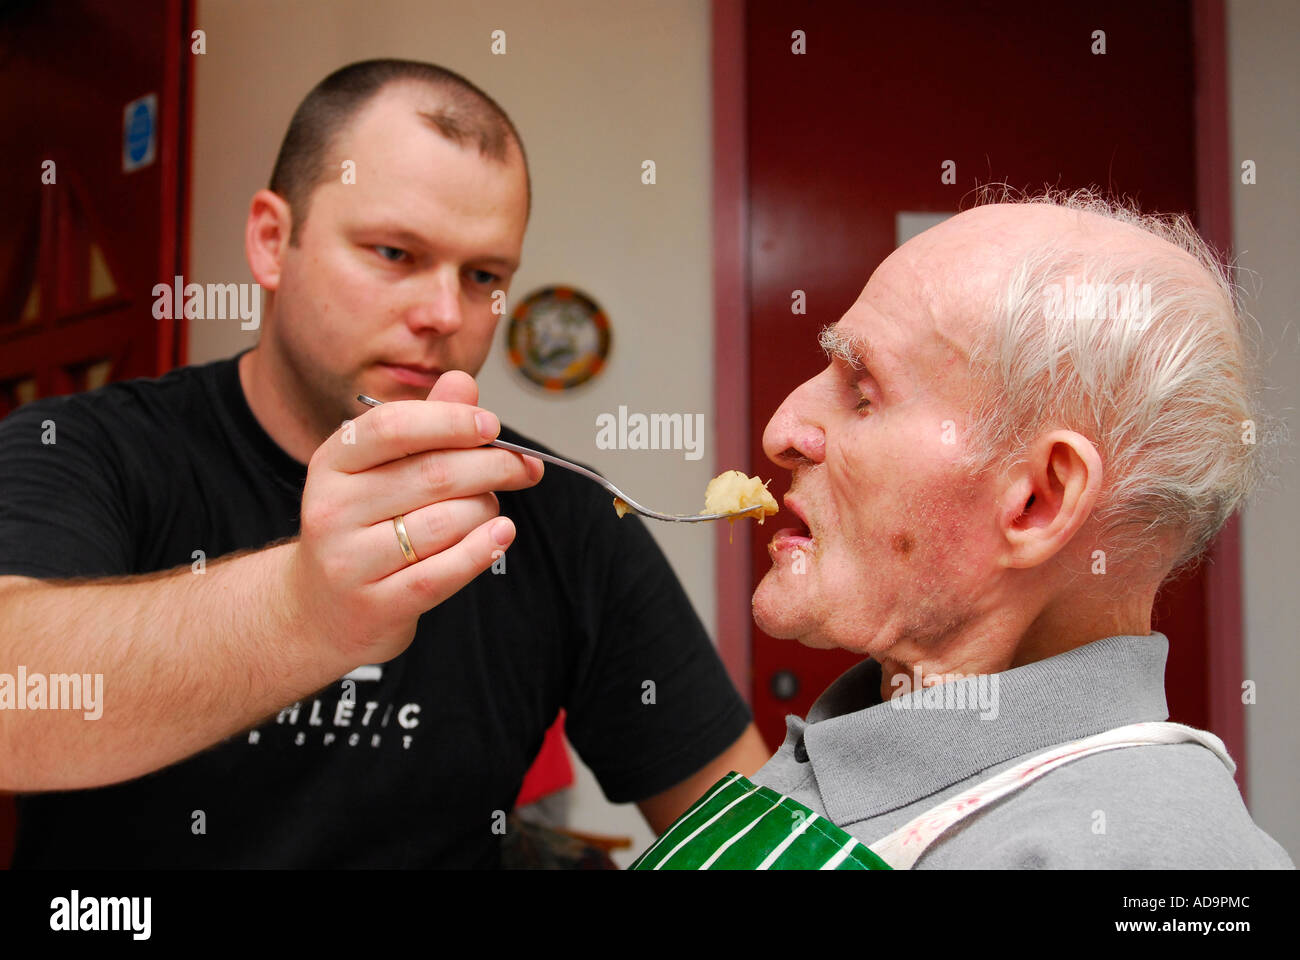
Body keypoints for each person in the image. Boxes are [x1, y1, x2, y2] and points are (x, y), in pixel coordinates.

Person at [0, 59, 767, 868]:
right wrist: (305, 611)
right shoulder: (86, 447)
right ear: (271, 240)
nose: (444, 315)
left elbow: (744, 820)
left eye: (483, 276)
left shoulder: (557, 508)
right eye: (395, 252)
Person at [632, 191, 1295, 870]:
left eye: (863, 393)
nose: (780, 433)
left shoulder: (1157, 861)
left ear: (1037, 501)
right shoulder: (845, 752)